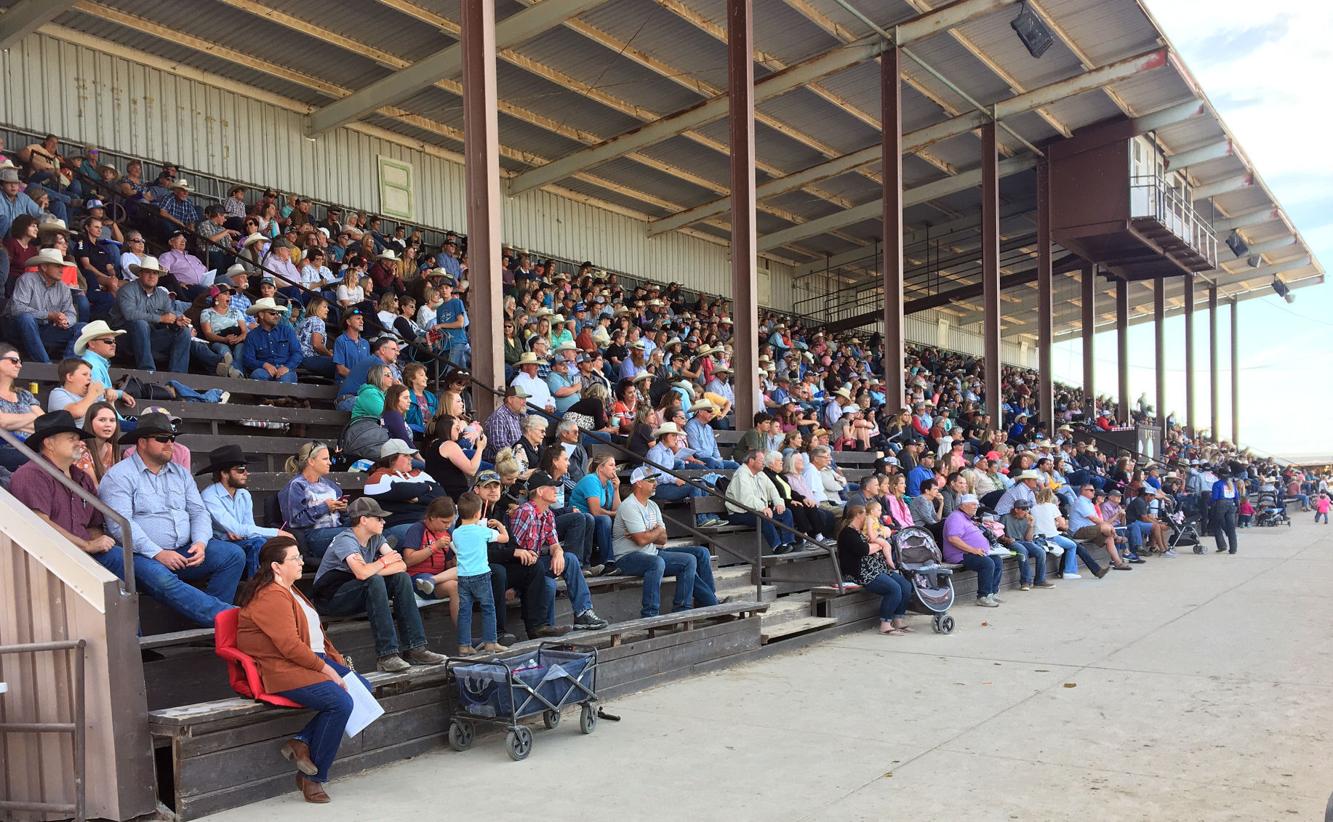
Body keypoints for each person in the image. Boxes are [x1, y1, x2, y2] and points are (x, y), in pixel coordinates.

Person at [235, 536, 373, 804]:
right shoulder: (271, 595)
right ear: (276, 566)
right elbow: (289, 646)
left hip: (308, 659)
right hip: (283, 667)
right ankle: (313, 778)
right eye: (294, 558)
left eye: (300, 557)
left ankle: (301, 741)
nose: (301, 562)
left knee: (363, 689)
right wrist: (327, 670)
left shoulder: (290, 589)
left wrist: (336, 662)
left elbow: (316, 636)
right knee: (341, 702)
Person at [98, 412, 246, 626]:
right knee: (162, 578)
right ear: (141, 442)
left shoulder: (181, 473)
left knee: (233, 555)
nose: (170, 444)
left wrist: (201, 543)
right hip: (142, 555)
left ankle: (209, 629)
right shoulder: (119, 475)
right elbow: (120, 525)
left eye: (172, 438)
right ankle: (225, 618)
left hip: (185, 549)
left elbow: (198, 512)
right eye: (162, 438)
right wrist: (158, 553)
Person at [311, 496, 447, 672]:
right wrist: (382, 564)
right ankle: (387, 655)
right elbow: (361, 573)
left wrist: (372, 569)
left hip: (358, 589)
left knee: (401, 578)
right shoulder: (346, 539)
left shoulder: (376, 537)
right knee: (373, 580)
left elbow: (401, 565)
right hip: (331, 597)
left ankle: (416, 648)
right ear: (364, 520)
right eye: (379, 518)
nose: (384, 521)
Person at [612, 466, 719, 617]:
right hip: (628, 557)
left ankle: (694, 606)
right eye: (650, 480)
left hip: (651, 551)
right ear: (638, 483)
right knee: (657, 562)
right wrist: (654, 532)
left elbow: (663, 539)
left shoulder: (653, 505)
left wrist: (651, 534)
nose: (655, 483)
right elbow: (642, 540)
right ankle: (650, 614)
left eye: (655, 479)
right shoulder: (629, 506)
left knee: (699, 553)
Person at [509, 471, 608, 632]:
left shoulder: (547, 514)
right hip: (524, 568)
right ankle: (548, 631)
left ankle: (582, 613)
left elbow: (554, 543)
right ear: (540, 491)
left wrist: (558, 553)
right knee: (548, 584)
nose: (556, 490)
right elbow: (513, 548)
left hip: (538, 564)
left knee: (568, 558)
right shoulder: (525, 512)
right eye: (552, 487)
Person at [199, 444, 291, 577]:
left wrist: (239, 531)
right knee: (259, 542)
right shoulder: (210, 496)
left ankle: (267, 587)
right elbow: (237, 529)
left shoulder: (244, 494)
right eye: (241, 470)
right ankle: (257, 588)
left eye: (246, 469)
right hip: (218, 545)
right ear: (224, 473)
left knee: (265, 543)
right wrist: (277, 532)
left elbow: (247, 528)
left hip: (240, 542)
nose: (246, 474)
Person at [836, 504, 914, 634]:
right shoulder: (847, 533)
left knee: (905, 585)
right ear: (859, 516)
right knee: (894, 589)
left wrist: (876, 545)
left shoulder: (859, 532)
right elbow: (863, 550)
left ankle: (898, 620)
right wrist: (879, 545)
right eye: (865, 515)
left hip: (876, 568)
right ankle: (885, 624)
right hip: (860, 572)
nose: (867, 518)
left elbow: (869, 546)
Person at [449, 492, 510, 654]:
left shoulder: (455, 533)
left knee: (465, 611)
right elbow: (505, 538)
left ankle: (464, 645)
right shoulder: (482, 532)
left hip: (463, 576)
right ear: (478, 513)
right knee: (488, 608)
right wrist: (499, 525)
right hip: (481, 575)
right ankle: (491, 642)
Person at [111, 256, 192, 374]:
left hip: (149, 339)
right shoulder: (127, 290)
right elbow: (130, 315)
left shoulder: (162, 295)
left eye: (155, 273)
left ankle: (178, 378)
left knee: (183, 331)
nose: (152, 276)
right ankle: (148, 371)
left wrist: (176, 321)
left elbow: (169, 315)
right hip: (123, 340)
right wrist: (161, 318)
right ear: (140, 273)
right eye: (148, 272)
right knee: (140, 323)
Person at [6, 247, 84, 363]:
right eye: (57, 266)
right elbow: (17, 308)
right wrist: (49, 315)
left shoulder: (63, 287)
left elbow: (71, 313)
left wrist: (65, 321)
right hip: (19, 332)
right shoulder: (27, 280)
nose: (62, 270)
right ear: (44, 267)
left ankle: (68, 367)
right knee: (26, 318)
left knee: (82, 327)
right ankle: (46, 365)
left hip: (45, 331)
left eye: (62, 266)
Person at [279, 442, 348, 560]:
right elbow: (294, 521)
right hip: (314, 536)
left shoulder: (330, 485)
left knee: (368, 527)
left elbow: (343, 517)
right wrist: (325, 507)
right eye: (325, 459)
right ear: (311, 461)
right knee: (354, 534)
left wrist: (343, 509)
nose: (330, 462)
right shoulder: (296, 486)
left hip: (336, 529)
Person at [725, 449, 799, 555]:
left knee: (786, 512)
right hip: (739, 513)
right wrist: (763, 508)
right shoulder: (741, 474)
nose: (764, 463)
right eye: (761, 460)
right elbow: (746, 499)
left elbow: (772, 489)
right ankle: (776, 547)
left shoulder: (760, 473)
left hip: (756, 511)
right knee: (763, 516)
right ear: (751, 461)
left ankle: (788, 543)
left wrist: (778, 503)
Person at [941, 494, 1004, 607]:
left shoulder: (967, 518)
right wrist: (973, 550)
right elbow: (953, 538)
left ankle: (992, 593)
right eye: (973, 504)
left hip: (973, 552)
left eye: (977, 504)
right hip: (959, 554)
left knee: (997, 560)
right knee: (987, 563)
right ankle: (982, 596)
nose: (976, 507)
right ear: (963, 506)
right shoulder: (956, 517)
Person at [1068, 483, 1131, 570]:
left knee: (1109, 538)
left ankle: (1118, 563)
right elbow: (1093, 519)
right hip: (1078, 531)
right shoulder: (1080, 502)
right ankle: (1116, 537)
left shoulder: (1089, 503)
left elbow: (1097, 520)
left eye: (1093, 490)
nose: (1094, 492)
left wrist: (1108, 526)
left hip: (1089, 529)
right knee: (1106, 527)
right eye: (1091, 490)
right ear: (1083, 491)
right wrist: (1109, 526)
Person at [241, 298, 303, 383]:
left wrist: (287, 367)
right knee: (257, 375)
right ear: (261, 315)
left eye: (277, 313)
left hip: (286, 370)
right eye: (272, 313)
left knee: (284, 380)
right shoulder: (252, 336)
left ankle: (270, 395)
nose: (276, 316)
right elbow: (248, 359)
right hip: (264, 371)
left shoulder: (287, 330)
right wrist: (264, 365)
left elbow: (297, 353)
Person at [999, 499, 1053, 591]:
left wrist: (1031, 525)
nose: (1026, 511)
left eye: (1027, 509)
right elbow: (999, 535)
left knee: (1041, 552)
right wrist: (1007, 539)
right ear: (1016, 509)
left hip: (1024, 541)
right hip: (1011, 542)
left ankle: (1040, 580)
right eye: (1024, 509)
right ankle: (1025, 581)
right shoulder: (1006, 517)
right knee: (1022, 551)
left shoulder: (1027, 519)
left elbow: (1028, 539)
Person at [1212, 472, 1239, 555]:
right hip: (1231, 504)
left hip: (1220, 504)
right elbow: (1237, 497)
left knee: (1216, 525)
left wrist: (1212, 505)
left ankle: (1222, 545)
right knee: (1231, 527)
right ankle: (1233, 548)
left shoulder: (1217, 484)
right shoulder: (1232, 485)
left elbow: (1215, 497)